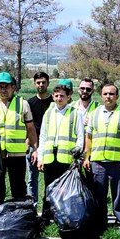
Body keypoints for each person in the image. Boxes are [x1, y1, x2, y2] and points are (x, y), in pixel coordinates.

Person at [0, 72, 38, 200]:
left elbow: (31, 129)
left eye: (7, 86)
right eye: (1, 86)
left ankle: (19, 216)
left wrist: (35, 149)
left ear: (13, 87)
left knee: (18, 188)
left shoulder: (23, 104)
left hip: (17, 155)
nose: (4, 90)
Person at [83, 82, 120, 228]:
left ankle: (119, 221)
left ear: (117, 96)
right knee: (99, 193)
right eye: (105, 94)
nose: (108, 97)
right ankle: (100, 222)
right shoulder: (94, 113)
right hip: (98, 161)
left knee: (118, 194)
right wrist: (87, 157)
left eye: (111, 94)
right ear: (101, 96)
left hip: (118, 161)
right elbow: (89, 137)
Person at [37, 81, 84, 216]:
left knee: (64, 190)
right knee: (49, 187)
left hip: (66, 158)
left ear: (68, 97)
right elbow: (43, 136)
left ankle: (63, 215)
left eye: (62, 96)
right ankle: (46, 215)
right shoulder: (49, 113)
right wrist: (40, 158)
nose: (59, 99)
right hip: (50, 157)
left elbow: (80, 136)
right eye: (56, 96)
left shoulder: (76, 113)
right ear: (53, 96)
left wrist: (77, 152)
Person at [26, 71, 53, 207]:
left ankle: (50, 208)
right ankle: (32, 207)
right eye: (38, 83)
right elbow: (27, 126)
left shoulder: (54, 102)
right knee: (32, 178)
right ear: (34, 84)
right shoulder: (30, 103)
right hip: (33, 145)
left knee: (51, 179)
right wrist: (28, 142)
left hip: (50, 147)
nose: (41, 85)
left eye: (43, 82)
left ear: (48, 83)